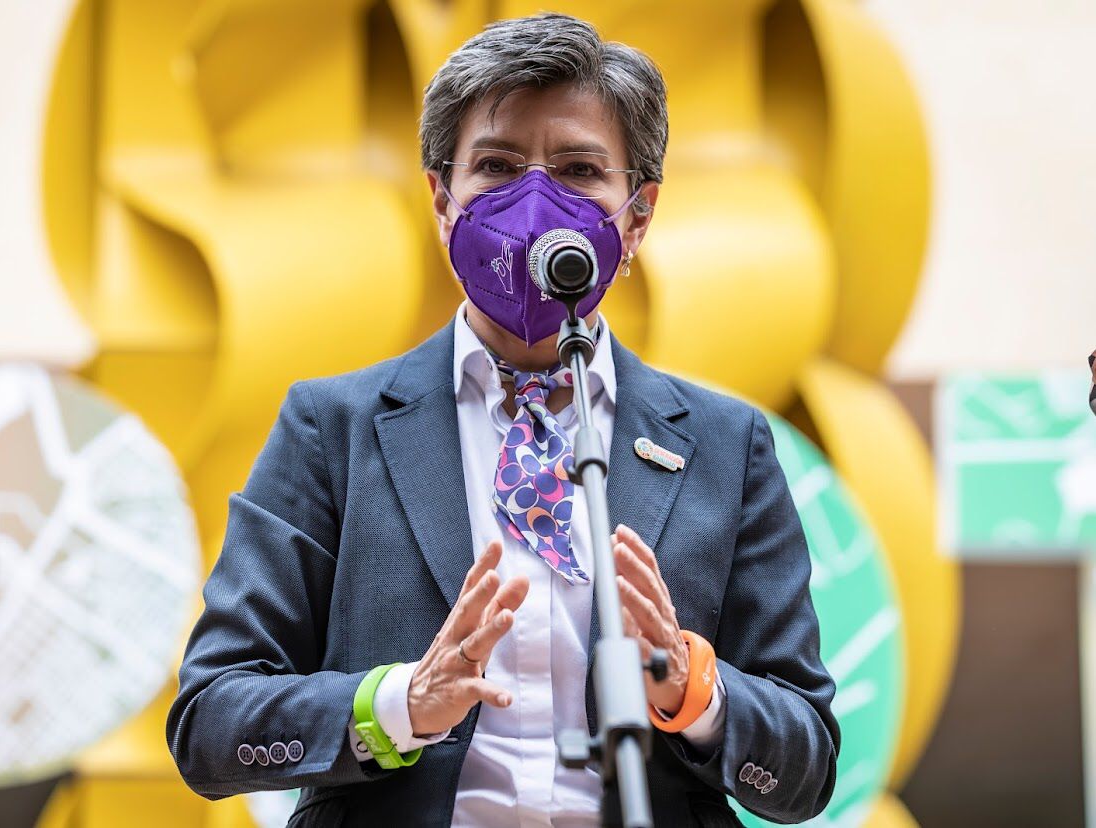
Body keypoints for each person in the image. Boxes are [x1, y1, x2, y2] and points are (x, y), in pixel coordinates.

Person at [166, 13, 838, 827]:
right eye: (496, 165)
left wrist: (691, 686)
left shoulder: (729, 447)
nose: (536, 201)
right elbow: (209, 720)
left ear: (637, 218)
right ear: (442, 201)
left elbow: (806, 765)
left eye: (581, 169)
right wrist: (399, 704)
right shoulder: (330, 430)